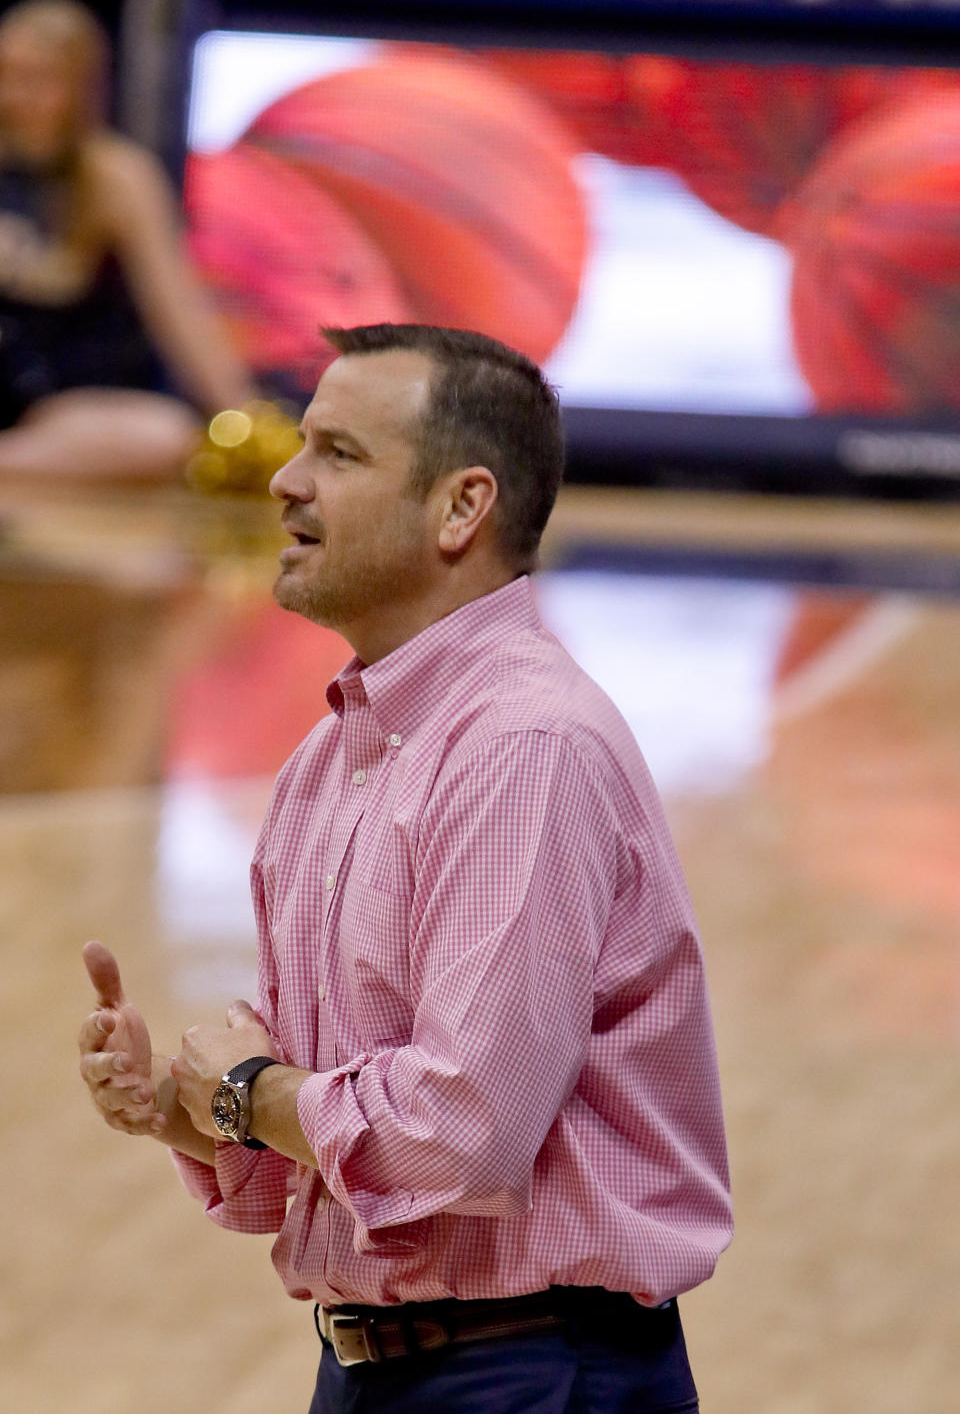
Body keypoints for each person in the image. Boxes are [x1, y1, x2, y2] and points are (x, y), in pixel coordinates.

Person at [79, 324, 733, 1413]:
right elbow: (323, 1115)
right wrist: (187, 1107)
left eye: (337, 453)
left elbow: (464, 1133)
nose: (284, 478)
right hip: (380, 1368)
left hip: (532, 1372)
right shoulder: (330, 757)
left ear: (460, 508)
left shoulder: (526, 749)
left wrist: (249, 1091)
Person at [0, 0, 252, 481]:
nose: (14, 95)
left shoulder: (118, 177)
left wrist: (245, 420)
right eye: (6, 74)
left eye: (36, 79)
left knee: (165, 434)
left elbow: (182, 316)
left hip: (70, 410)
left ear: (79, 87)